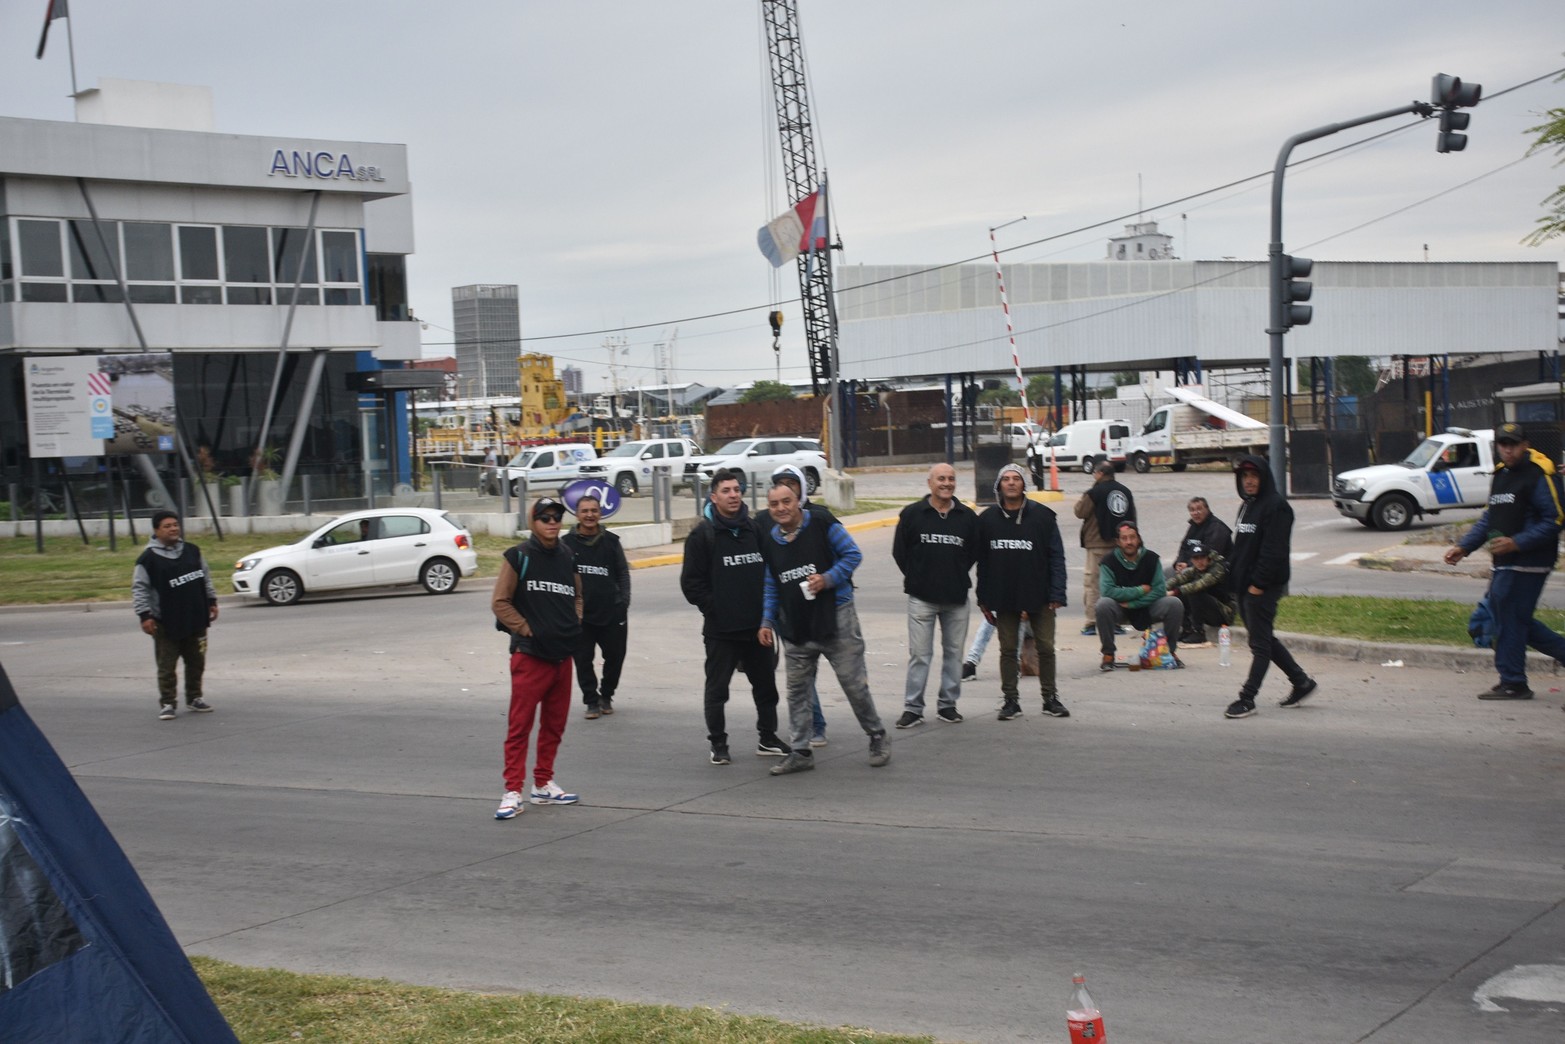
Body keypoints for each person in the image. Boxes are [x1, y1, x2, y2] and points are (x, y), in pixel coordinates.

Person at [758, 481, 890, 773]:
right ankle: (801, 751)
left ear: (798, 501)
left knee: (853, 685)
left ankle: (877, 734)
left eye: (786, 501)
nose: (781, 508)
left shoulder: (822, 524)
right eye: (774, 504)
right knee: (797, 691)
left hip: (836, 617)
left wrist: (828, 579)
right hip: (796, 624)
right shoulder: (770, 540)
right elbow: (771, 584)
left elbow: (853, 555)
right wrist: (767, 621)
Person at [1443, 421, 1565, 700]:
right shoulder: (1500, 474)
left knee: (1510, 618)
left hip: (1530, 561)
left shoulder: (1539, 473)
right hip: (1504, 561)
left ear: (1525, 445)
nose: (1508, 450)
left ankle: (1513, 682)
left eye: (1514, 445)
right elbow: (1490, 517)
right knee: (1510, 619)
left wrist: (1517, 542)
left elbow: (1555, 519)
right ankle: (1515, 679)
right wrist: (1464, 547)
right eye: (1503, 444)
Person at [680, 468, 791, 765]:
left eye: (736, 490)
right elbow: (691, 584)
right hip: (722, 632)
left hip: (757, 629)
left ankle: (768, 738)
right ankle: (718, 744)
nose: (733, 495)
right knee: (717, 691)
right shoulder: (702, 536)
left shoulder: (755, 530)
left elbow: (771, 571)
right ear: (714, 497)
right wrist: (717, 608)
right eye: (726, 491)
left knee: (766, 688)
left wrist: (767, 615)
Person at [490, 497, 584, 819]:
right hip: (530, 657)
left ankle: (543, 785)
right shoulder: (518, 556)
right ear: (533, 521)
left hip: (562, 657)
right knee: (520, 727)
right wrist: (527, 629)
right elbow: (500, 602)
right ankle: (512, 791)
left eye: (557, 517)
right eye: (545, 517)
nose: (552, 522)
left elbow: (578, 596)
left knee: (554, 725)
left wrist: (574, 622)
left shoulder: (568, 556)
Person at [1224, 456, 1316, 719]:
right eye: (1244, 476)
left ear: (1264, 478)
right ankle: (1301, 682)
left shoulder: (1277, 507)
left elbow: (1274, 552)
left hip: (1262, 588)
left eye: (1254, 476)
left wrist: (1258, 585)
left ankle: (1247, 698)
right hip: (1245, 587)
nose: (1249, 481)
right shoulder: (1248, 505)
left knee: (1260, 645)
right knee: (1264, 639)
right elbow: (1241, 547)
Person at [976, 463, 1069, 720]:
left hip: (1041, 595)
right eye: (1005, 479)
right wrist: (983, 598)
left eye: (1016, 478)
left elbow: (1056, 557)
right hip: (1004, 595)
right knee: (1008, 649)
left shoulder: (1044, 516)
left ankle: (1050, 698)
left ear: (1023, 484)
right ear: (999, 485)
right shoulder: (987, 520)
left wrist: (1057, 593)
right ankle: (1010, 701)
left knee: (1046, 648)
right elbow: (982, 562)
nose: (1011, 483)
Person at [891, 462, 979, 727]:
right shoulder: (912, 514)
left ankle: (948, 705)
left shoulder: (967, 517)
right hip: (921, 599)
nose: (947, 483)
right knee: (920, 655)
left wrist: (954, 574)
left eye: (951, 479)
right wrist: (918, 576)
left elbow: (973, 553)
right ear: (929, 483)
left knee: (954, 654)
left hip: (956, 599)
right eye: (941, 478)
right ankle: (913, 708)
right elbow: (900, 552)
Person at [132, 510, 219, 720]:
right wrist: (144, 615)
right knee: (167, 666)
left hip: (196, 618)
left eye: (175, 525)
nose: (173, 529)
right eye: (167, 526)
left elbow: (205, 577)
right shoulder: (148, 559)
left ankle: (194, 697)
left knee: (196, 662)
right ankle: (168, 703)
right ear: (156, 530)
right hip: (166, 622)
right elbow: (140, 589)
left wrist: (211, 601)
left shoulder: (192, 551)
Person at [770, 464, 833, 746]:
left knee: (847, 674)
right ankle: (812, 728)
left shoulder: (820, 518)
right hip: (789, 612)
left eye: (792, 484)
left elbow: (845, 555)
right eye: (781, 483)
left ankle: (872, 731)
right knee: (801, 676)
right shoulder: (767, 522)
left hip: (823, 608)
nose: (787, 490)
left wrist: (830, 581)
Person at [562, 493, 630, 719]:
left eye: (594, 510)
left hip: (612, 612)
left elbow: (622, 573)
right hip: (580, 616)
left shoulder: (612, 542)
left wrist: (623, 603)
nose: (589, 515)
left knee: (615, 657)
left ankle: (606, 695)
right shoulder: (566, 544)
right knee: (583, 660)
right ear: (577, 514)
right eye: (585, 511)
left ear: (600, 513)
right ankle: (591, 701)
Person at [1094, 521, 1184, 670]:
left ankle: (1169, 651)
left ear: (1139, 538)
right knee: (1103, 605)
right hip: (1120, 608)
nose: (1129, 542)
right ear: (1118, 541)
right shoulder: (1108, 561)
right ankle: (1108, 654)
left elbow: (1159, 590)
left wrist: (1133, 603)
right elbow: (1108, 591)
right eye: (1124, 538)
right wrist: (1140, 590)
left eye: (1132, 537)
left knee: (1174, 604)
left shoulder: (1151, 559)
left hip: (1146, 607)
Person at [1074, 460, 1135, 636]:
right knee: (1117, 584)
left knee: (1093, 584)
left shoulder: (1095, 492)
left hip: (1097, 544)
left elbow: (1079, 511)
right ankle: (1115, 621)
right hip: (1121, 545)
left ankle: (1092, 622)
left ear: (1100, 473)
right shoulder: (1125, 491)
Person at [1166, 542, 1234, 645]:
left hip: (1224, 613)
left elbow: (1201, 584)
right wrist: (1163, 589)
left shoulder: (1218, 568)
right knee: (1179, 595)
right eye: (1196, 559)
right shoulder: (1196, 569)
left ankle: (1199, 632)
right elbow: (1178, 579)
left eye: (1202, 558)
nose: (1199, 562)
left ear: (1208, 557)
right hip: (1208, 611)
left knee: (1194, 592)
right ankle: (1187, 629)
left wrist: (1174, 592)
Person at [1172, 496, 1232, 571]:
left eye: (1199, 509)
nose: (1195, 513)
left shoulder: (1217, 528)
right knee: (1167, 573)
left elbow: (1210, 554)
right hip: (1192, 566)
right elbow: (1184, 547)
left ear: (1207, 509)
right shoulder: (1193, 525)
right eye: (1192, 510)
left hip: (1215, 568)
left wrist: (1187, 565)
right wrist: (1179, 562)